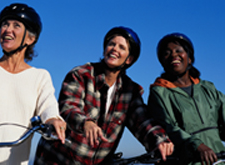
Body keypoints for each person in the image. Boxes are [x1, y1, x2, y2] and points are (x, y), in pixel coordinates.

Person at [35, 26, 174, 165]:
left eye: (121, 47)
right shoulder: (81, 75)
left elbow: (142, 122)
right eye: (111, 44)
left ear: (129, 59)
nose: (114, 49)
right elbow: (68, 107)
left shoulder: (130, 91)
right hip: (58, 159)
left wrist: (160, 141)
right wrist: (86, 123)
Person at [0, 3, 66, 165]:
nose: (7, 30)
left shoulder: (40, 76)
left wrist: (53, 120)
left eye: (16, 25)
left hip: (14, 161)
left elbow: (48, 107)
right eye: (5, 24)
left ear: (30, 38)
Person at [148, 32, 225, 165]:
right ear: (162, 62)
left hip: (219, 159)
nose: (173, 55)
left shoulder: (208, 88)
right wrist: (197, 145)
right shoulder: (159, 93)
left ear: (189, 58)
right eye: (167, 53)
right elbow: (168, 127)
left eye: (179, 50)